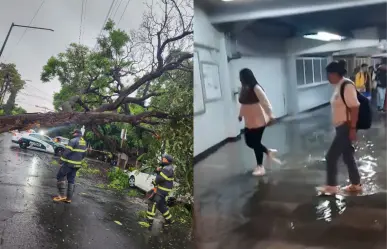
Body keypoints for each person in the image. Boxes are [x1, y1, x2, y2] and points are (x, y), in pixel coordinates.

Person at [317, 60, 362, 195]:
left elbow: (355, 107)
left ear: (336, 74)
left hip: (346, 127)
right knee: (348, 156)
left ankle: (331, 186)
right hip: (341, 126)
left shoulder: (346, 86)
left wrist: (353, 128)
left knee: (330, 157)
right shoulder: (338, 85)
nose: (328, 77)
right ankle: (356, 184)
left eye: (329, 74)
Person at [237, 68, 279, 176]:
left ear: (247, 77)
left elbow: (265, 102)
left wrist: (271, 115)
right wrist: (240, 115)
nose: (240, 79)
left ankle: (260, 167)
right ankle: (268, 152)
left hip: (259, 119)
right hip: (249, 119)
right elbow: (243, 104)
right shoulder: (244, 89)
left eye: (241, 77)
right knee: (249, 142)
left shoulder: (256, 88)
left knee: (255, 143)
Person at [140, 154, 174, 229]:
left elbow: (160, 179)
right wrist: (158, 170)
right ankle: (169, 220)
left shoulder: (167, 169)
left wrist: (154, 182)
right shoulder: (167, 168)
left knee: (152, 202)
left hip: (162, 190)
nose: (161, 160)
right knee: (161, 205)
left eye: (163, 159)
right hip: (163, 190)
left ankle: (149, 222)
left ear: (167, 160)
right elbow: (162, 175)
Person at [53, 129, 87, 203]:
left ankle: (62, 196)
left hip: (69, 164)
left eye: (73, 133)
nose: (72, 134)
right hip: (77, 165)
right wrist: (78, 160)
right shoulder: (84, 142)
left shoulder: (73, 141)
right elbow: (84, 154)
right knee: (71, 180)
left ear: (76, 133)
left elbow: (67, 152)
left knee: (60, 176)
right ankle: (68, 199)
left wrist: (61, 160)